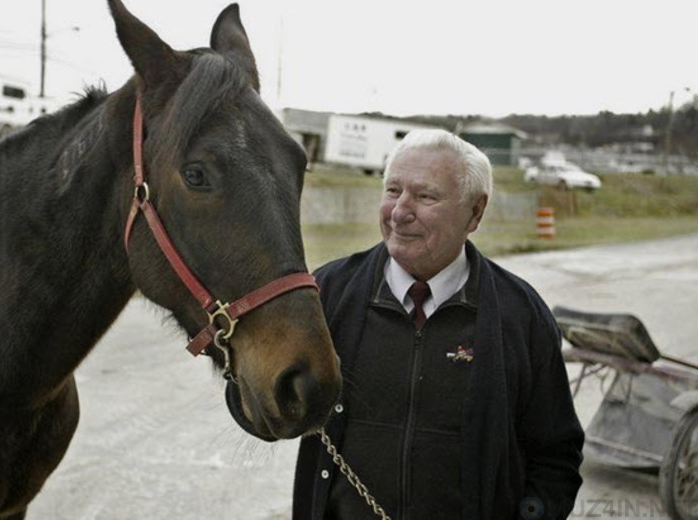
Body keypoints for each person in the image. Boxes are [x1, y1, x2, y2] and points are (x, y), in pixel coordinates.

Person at [226, 129, 584, 520]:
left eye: (426, 196)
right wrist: (244, 367)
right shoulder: (326, 294)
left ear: (475, 212)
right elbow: (263, 414)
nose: (399, 212)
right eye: (393, 191)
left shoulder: (522, 316)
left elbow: (556, 457)